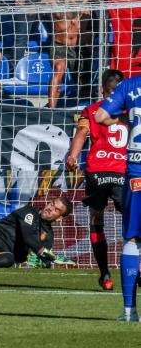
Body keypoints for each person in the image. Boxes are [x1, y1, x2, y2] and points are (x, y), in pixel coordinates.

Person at [66, 69, 126, 291]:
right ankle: (136, 268)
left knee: (96, 221)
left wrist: (72, 156)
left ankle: (105, 274)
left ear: (102, 89)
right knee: (133, 221)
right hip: (123, 172)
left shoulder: (91, 110)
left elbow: (81, 134)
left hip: (97, 172)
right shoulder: (131, 111)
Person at [94, 71, 141, 321]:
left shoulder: (129, 85)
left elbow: (100, 117)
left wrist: (124, 116)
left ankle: (129, 311)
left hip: (136, 173)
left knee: (132, 239)